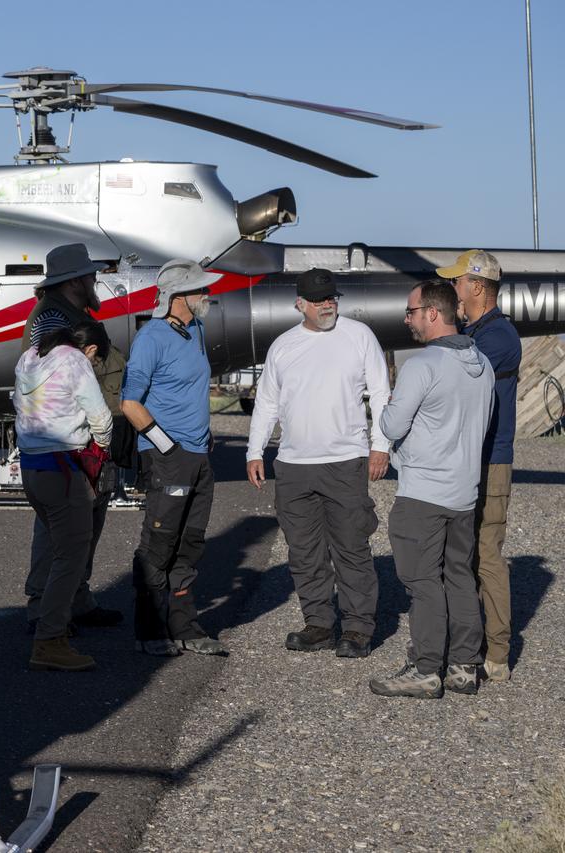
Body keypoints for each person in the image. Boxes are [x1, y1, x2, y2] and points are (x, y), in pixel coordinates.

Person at [245, 268, 391, 658]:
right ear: (300, 304)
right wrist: (254, 451)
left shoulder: (359, 336)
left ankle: (358, 628)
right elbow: (267, 403)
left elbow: (380, 393)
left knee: (351, 547)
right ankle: (319, 624)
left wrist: (381, 446)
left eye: (332, 298)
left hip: (345, 460)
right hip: (292, 465)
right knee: (303, 550)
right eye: (319, 300)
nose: (328, 305)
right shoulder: (283, 346)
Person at [370, 281, 493, 699]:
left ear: (433, 314)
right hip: (464, 491)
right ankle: (463, 666)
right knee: (458, 576)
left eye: (411, 311)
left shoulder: (423, 365)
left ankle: (425, 669)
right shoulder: (483, 363)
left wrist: (385, 403)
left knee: (422, 581)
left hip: (423, 491)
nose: (407, 319)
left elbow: (390, 426)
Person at [20, 243, 126, 636]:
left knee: (84, 526)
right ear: (76, 281)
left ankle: (74, 600)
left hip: (83, 443)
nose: (95, 280)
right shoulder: (51, 322)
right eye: (90, 275)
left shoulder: (68, 315)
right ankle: (43, 608)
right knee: (60, 531)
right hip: (71, 446)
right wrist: (94, 437)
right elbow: (58, 383)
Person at [122, 258, 226, 657]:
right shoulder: (151, 337)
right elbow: (130, 403)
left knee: (190, 542)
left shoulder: (196, 329)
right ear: (177, 296)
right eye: (201, 290)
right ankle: (149, 629)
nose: (208, 295)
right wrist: (167, 445)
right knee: (159, 543)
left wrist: (204, 436)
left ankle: (185, 625)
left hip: (198, 455)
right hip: (169, 457)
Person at [438, 250, 521, 683]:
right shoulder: (478, 332)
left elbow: (461, 376)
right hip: (468, 456)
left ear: (476, 287)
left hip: (491, 459)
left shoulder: (499, 338)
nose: (452, 289)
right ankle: (468, 640)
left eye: (456, 282)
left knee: (486, 552)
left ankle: (498, 651)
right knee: (462, 552)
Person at [15, 320, 114, 671]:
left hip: (32, 468)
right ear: (90, 350)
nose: (94, 365)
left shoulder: (29, 357)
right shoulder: (75, 361)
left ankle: (46, 626)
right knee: (72, 555)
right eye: (97, 360)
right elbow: (101, 418)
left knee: (59, 551)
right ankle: (50, 639)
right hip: (63, 468)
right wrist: (100, 451)